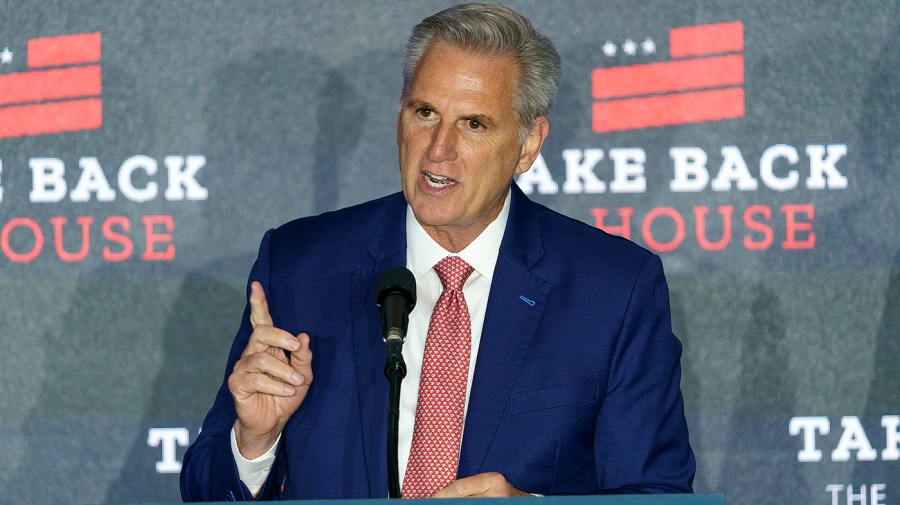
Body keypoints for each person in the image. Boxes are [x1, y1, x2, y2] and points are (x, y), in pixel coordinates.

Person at [180, 3, 695, 501]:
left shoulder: (613, 290)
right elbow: (204, 490)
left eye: (473, 124)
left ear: (528, 144)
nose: (438, 150)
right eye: (424, 112)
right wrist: (254, 444)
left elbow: (657, 494)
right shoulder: (299, 265)